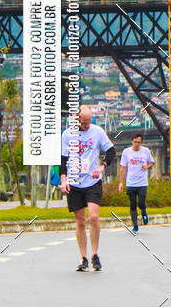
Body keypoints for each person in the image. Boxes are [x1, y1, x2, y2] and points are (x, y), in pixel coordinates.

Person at [60, 105, 116, 272]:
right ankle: (84, 257)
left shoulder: (97, 131)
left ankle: (95, 254)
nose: (87, 126)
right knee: (80, 221)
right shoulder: (67, 135)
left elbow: (111, 151)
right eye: (84, 123)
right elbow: (62, 160)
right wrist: (63, 180)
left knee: (93, 217)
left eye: (89, 122)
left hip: (93, 181)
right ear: (76, 120)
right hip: (75, 182)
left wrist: (102, 166)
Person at [118, 132, 155, 233]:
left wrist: (146, 166)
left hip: (142, 182)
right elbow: (123, 167)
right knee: (133, 204)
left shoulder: (146, 151)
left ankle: (143, 211)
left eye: (139, 142)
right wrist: (121, 182)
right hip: (131, 182)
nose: (137, 144)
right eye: (135, 142)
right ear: (132, 141)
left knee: (141, 203)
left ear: (141, 142)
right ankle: (135, 225)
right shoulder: (126, 152)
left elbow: (152, 162)